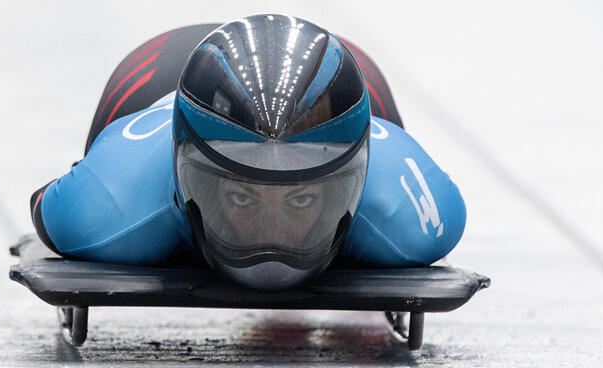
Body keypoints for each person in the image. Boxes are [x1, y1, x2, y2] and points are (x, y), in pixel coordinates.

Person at [30, 15, 466, 290]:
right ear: (182, 170)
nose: (269, 235)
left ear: (356, 178)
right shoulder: (110, 200)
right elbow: (53, 205)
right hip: (156, 74)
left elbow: (43, 204)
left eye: (300, 198)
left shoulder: (406, 213)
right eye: (242, 196)